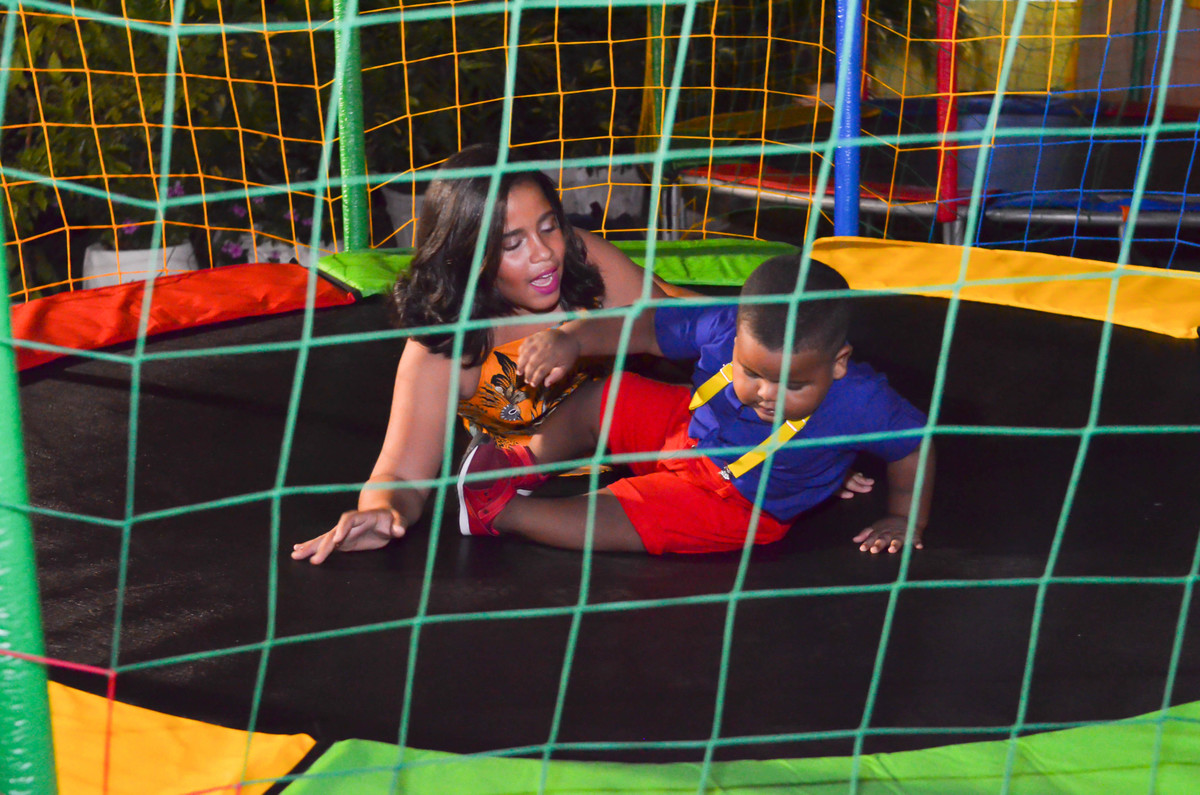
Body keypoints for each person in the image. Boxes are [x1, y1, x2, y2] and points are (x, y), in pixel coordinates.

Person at [292, 144, 678, 565]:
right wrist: (383, 512)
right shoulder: (446, 346)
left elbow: (677, 328)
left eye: (549, 227)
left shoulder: (579, 258)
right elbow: (400, 472)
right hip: (545, 485)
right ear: (470, 257)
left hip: (628, 444)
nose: (544, 253)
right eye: (513, 244)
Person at [456, 253, 935, 555]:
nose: (767, 395)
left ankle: (499, 514)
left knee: (639, 513)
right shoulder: (724, 323)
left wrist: (904, 516)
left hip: (742, 503)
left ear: (838, 363)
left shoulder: (861, 400)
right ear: (737, 337)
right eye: (752, 374)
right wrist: (573, 338)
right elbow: (645, 326)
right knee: (614, 394)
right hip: (689, 431)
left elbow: (915, 445)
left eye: (792, 385)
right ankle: (523, 460)